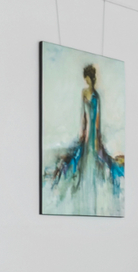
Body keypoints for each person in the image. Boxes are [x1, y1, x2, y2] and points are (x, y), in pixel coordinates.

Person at [46, 64, 124, 213]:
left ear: (90, 78)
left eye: (87, 78)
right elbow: (83, 116)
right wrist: (82, 133)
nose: (86, 81)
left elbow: (98, 119)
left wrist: (97, 137)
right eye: (85, 78)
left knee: (93, 158)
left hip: (94, 133)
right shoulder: (84, 93)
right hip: (87, 132)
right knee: (82, 158)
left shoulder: (97, 96)